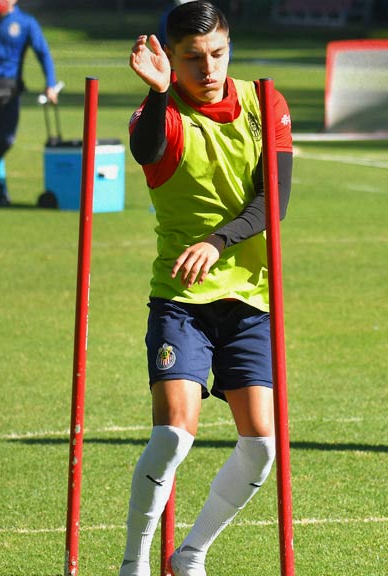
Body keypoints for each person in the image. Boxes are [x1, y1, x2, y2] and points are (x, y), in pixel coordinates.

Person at [118, 2, 293, 575]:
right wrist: (158, 92)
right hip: (181, 299)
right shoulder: (159, 114)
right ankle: (134, 564)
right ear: (172, 57)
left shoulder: (265, 102)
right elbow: (146, 150)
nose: (209, 68)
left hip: (250, 298)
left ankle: (190, 553)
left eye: (218, 53)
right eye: (193, 58)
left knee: (262, 448)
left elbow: (275, 201)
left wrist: (218, 242)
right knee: (173, 435)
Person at [0, 0, 60, 207]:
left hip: (9, 88)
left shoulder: (26, 23)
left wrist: (50, 84)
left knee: (6, 140)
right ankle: (2, 194)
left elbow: (43, 53)